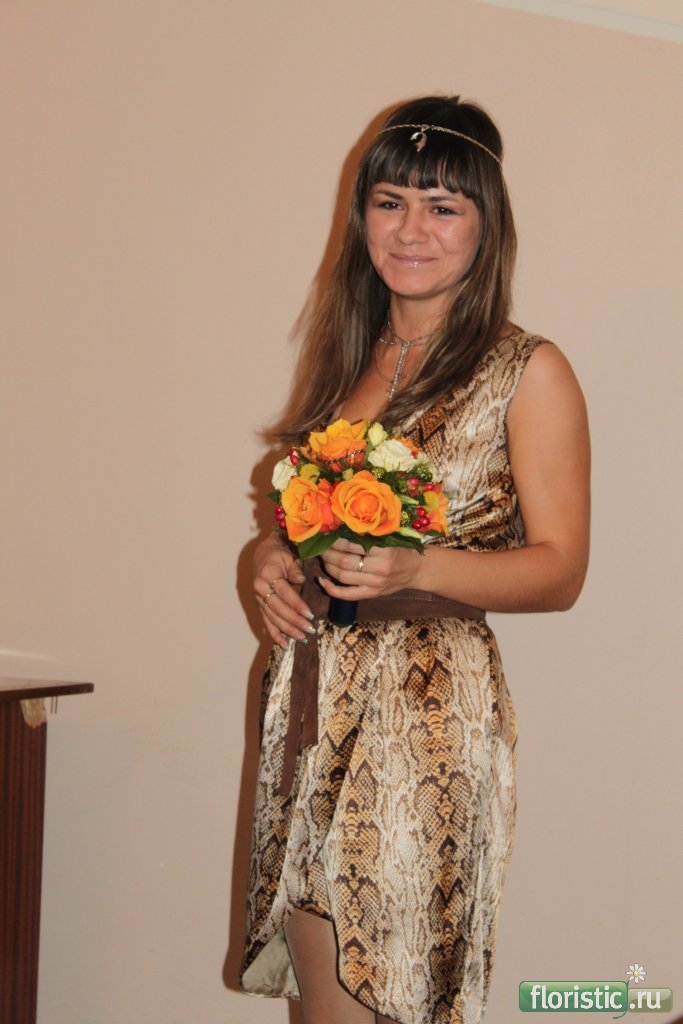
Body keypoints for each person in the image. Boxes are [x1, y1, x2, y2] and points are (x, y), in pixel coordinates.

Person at [240, 95, 590, 1024]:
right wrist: (271, 556)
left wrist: (416, 569)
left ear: (486, 225)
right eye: (389, 201)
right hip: (311, 700)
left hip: (424, 717)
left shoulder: (527, 369)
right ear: (361, 216)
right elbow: (310, 527)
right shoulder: (349, 358)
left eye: (442, 207)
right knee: (322, 992)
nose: (410, 230)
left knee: (393, 993)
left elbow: (560, 569)